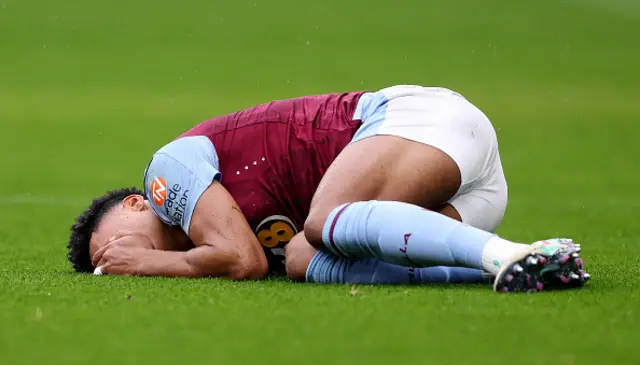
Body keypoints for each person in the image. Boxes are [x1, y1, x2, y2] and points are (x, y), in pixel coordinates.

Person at [68, 85, 589, 292]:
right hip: (463, 199)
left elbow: (242, 261)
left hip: (424, 122)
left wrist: (151, 263)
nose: (118, 256)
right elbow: (254, 258)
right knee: (301, 257)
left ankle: (507, 253)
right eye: (109, 261)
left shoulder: (166, 173)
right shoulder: (208, 232)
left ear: (136, 202)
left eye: (112, 244)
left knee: (322, 222)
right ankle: (525, 264)